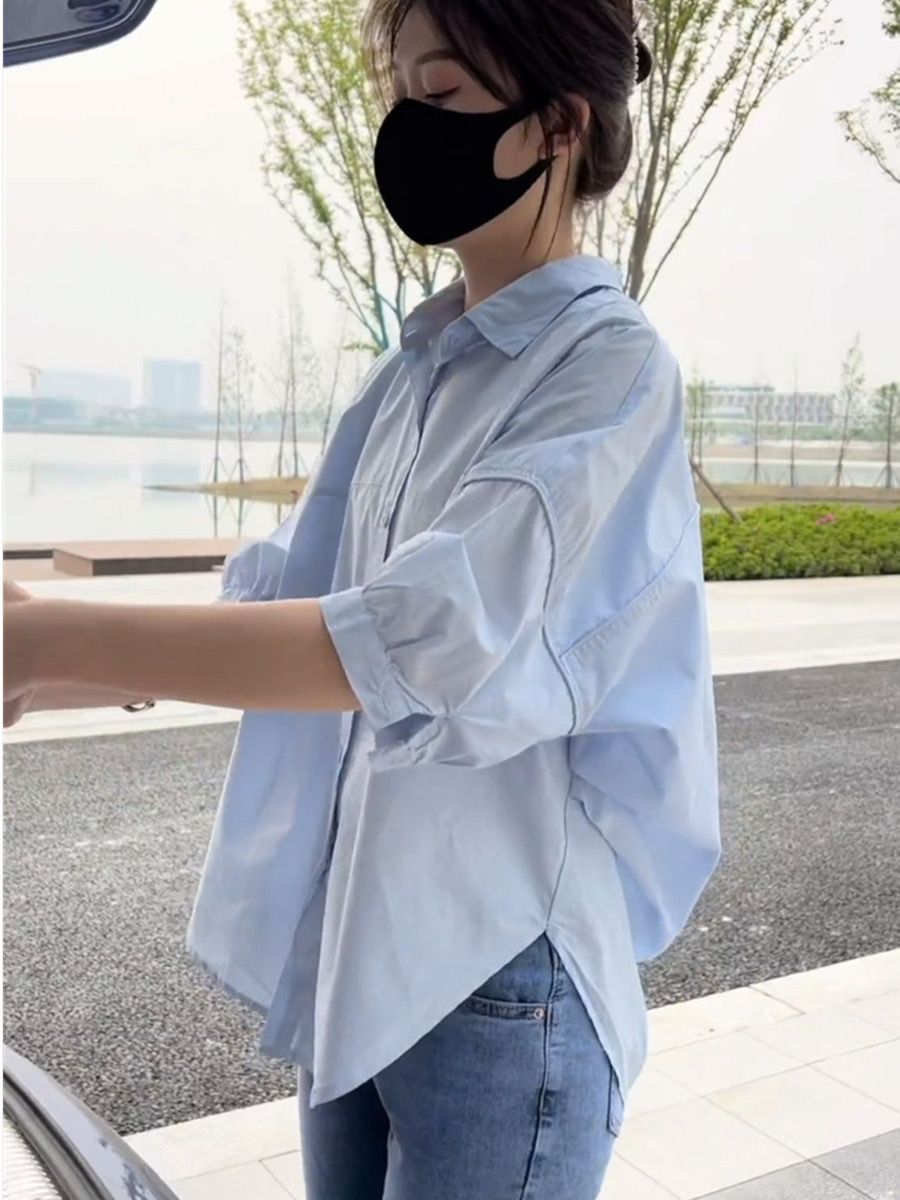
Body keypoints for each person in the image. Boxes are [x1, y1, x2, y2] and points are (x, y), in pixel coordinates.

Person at [3, 1, 721, 1196]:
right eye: (401, 95)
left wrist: (39, 640)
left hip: (503, 975)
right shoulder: (415, 373)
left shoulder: (608, 367)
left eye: (439, 97)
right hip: (366, 956)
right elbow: (285, 619)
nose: (404, 129)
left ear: (557, 126)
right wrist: (37, 653)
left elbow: (407, 642)